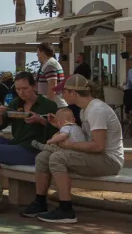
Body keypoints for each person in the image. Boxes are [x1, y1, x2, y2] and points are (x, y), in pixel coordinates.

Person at [21, 75, 125, 224]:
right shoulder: (84, 111)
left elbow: (98, 146)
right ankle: (40, 202)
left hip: (109, 161)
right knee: (43, 156)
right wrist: (59, 126)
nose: (62, 95)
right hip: (95, 156)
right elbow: (81, 137)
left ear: (74, 93)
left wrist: (68, 146)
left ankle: (66, 210)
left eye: (64, 92)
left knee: (58, 158)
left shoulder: (96, 110)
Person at [0, 72, 56, 209]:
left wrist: (40, 120)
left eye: (25, 88)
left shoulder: (48, 105)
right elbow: (1, 124)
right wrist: (0, 115)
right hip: (16, 143)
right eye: (18, 89)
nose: (21, 92)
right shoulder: (15, 103)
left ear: (34, 86)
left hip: (33, 149)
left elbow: (55, 130)